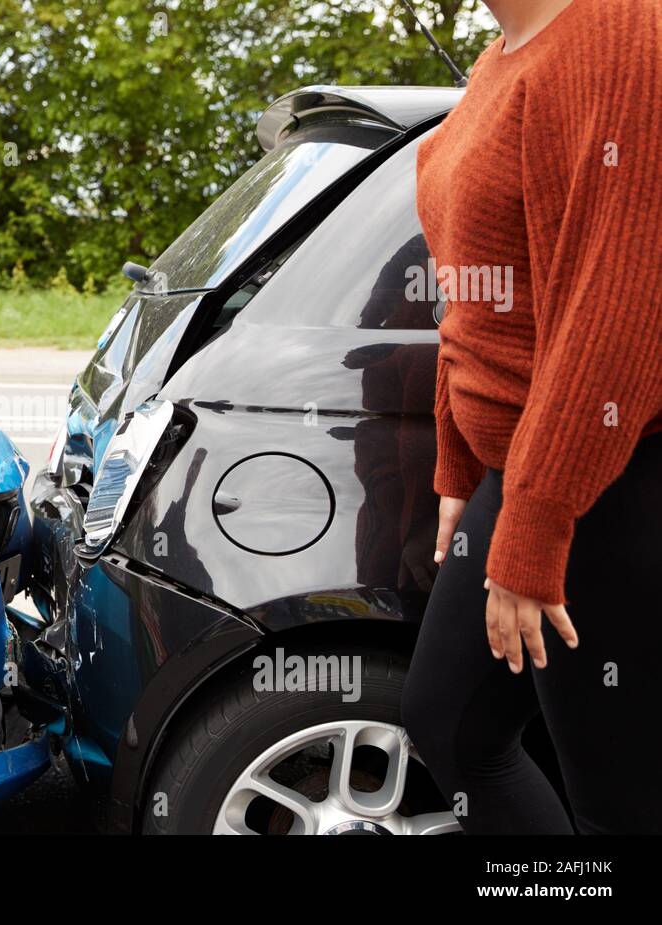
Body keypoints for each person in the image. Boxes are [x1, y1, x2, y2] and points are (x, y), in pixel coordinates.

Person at [403, 0, 662, 834]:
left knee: (618, 803)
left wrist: (536, 526)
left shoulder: (626, 33)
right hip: (520, 470)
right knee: (449, 725)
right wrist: (456, 461)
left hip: (607, 484)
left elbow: (616, 311)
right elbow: (471, 289)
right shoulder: (500, 56)